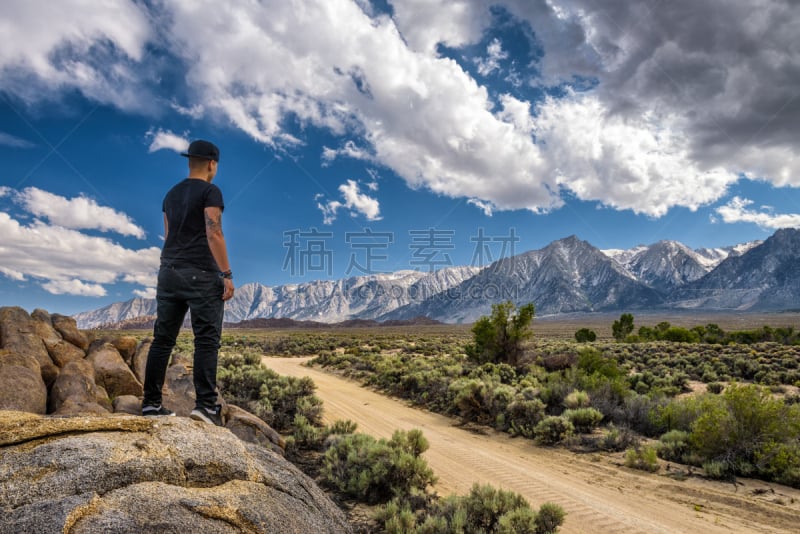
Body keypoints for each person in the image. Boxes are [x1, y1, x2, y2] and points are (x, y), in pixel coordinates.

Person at [141, 139, 235, 426]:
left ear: (189, 161)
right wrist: (227, 274)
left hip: (168, 272)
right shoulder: (210, 190)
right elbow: (213, 232)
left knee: (163, 340)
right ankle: (206, 407)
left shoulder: (171, 195)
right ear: (212, 164)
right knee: (206, 340)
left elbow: (169, 234)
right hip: (201, 274)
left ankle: (151, 404)